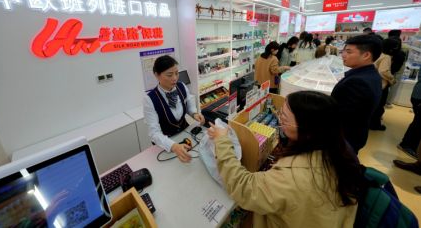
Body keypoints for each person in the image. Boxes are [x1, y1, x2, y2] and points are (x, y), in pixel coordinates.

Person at [207, 91, 362, 227]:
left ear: (306, 129)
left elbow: (244, 187)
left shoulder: (293, 177)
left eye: (284, 117)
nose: (279, 119)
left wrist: (221, 140)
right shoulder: (340, 150)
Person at [143, 55, 205, 163]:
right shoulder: (149, 99)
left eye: (177, 73)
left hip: (185, 135)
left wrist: (194, 113)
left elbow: (189, 102)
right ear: (157, 75)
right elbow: (154, 133)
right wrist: (173, 146)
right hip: (165, 145)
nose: (175, 78)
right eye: (169, 75)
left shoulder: (181, 86)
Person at [331, 35, 382, 153]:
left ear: (366, 55)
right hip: (354, 137)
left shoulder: (358, 82)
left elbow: (342, 116)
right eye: (343, 51)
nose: (343, 55)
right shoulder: (372, 75)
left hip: (342, 140)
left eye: (348, 52)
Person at [370, 38, 399, 131]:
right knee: (379, 106)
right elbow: (383, 71)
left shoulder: (378, 54)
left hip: (373, 83)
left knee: (373, 105)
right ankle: (375, 125)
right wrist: (392, 79)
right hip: (381, 85)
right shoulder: (386, 57)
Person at [397, 70, 421, 158]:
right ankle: (407, 145)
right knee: (418, 122)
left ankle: (411, 145)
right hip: (419, 97)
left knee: (418, 122)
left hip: (417, 95)